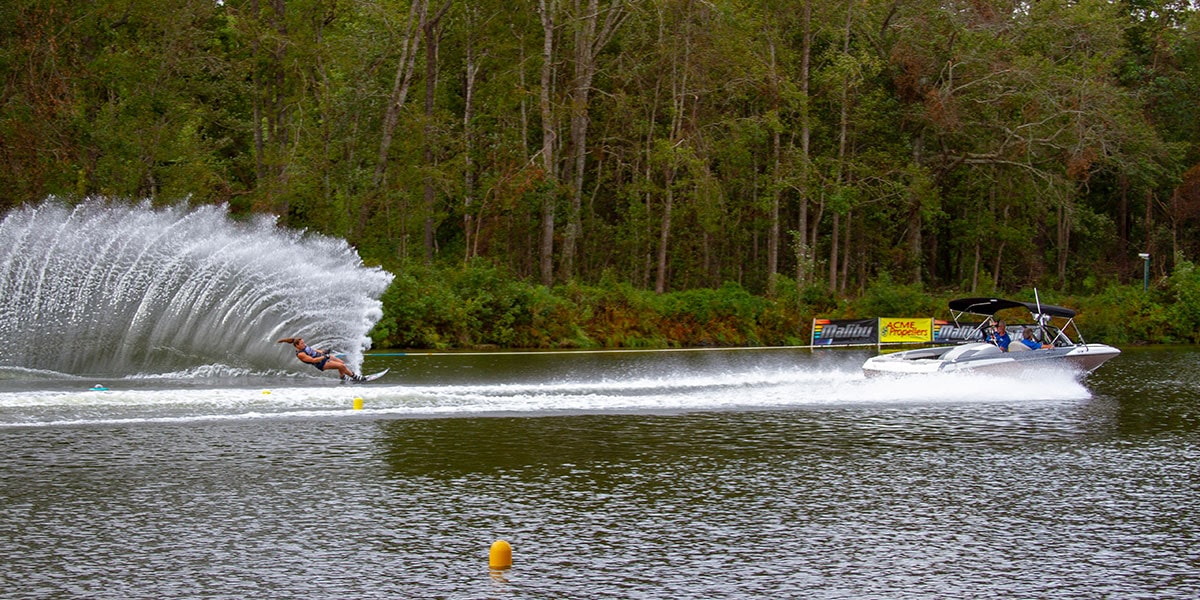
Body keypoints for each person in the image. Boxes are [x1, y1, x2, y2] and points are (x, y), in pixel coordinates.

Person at [277, 337, 365, 382]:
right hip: (320, 363)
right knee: (341, 366)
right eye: (302, 343)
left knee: (341, 363)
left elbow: (313, 350)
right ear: (297, 345)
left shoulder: (303, 346)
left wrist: (323, 352)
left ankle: (343, 377)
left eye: (304, 342)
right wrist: (324, 357)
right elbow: (313, 360)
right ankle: (355, 377)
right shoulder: (301, 354)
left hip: (322, 356)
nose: (304, 344)